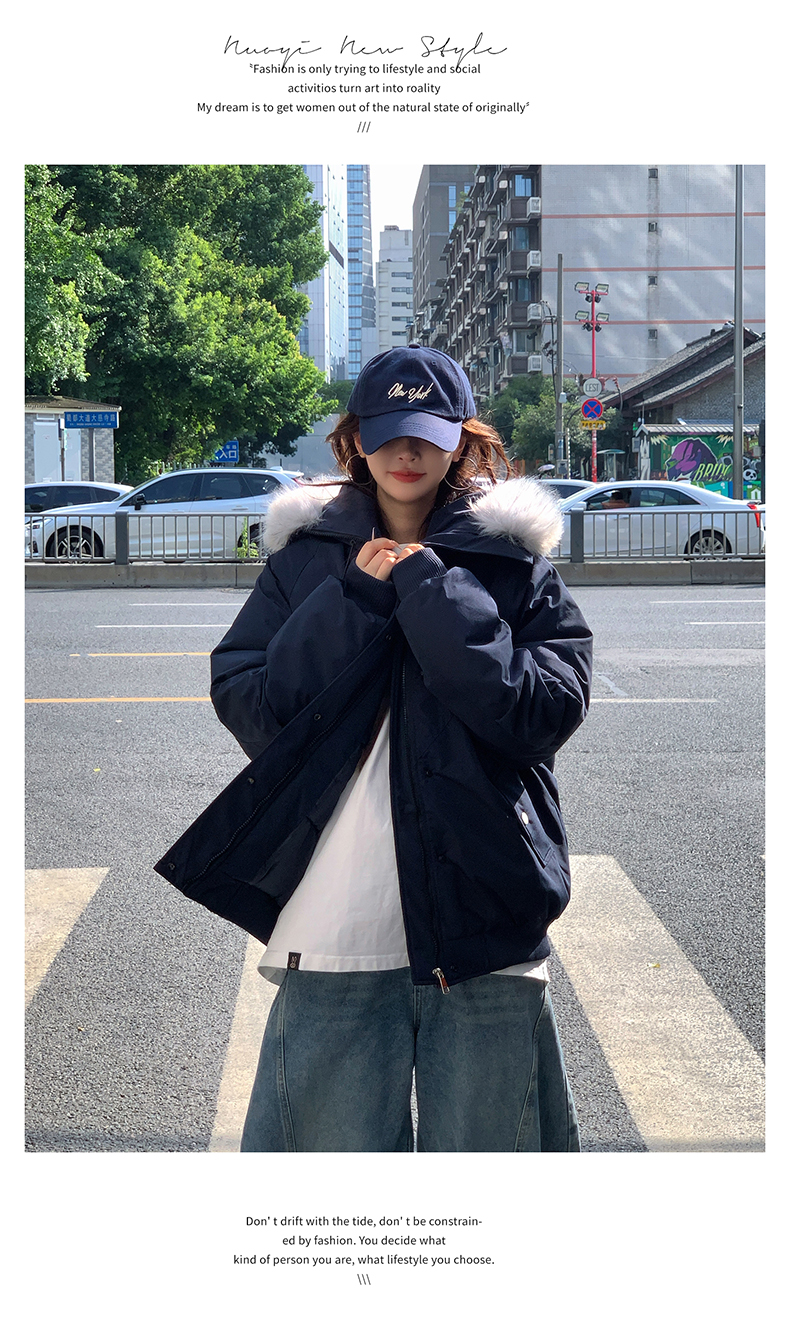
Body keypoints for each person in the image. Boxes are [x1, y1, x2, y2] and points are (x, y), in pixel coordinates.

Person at [156, 344, 594, 1153]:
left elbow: (544, 711)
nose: (406, 452)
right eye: (388, 432)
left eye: (427, 434)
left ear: (460, 442)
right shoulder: (306, 559)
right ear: (356, 440)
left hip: (485, 906)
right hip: (336, 917)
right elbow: (254, 705)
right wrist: (354, 599)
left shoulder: (511, 563)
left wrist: (437, 593)